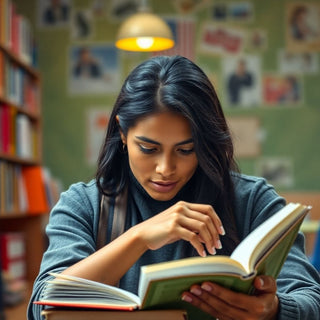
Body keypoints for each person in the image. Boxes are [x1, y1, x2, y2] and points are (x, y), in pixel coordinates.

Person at [28, 55, 320, 320]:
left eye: (185, 150)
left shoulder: (254, 201)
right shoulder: (84, 204)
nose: (165, 169)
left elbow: (311, 301)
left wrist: (274, 310)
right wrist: (139, 237)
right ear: (122, 132)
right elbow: (42, 307)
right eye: (148, 148)